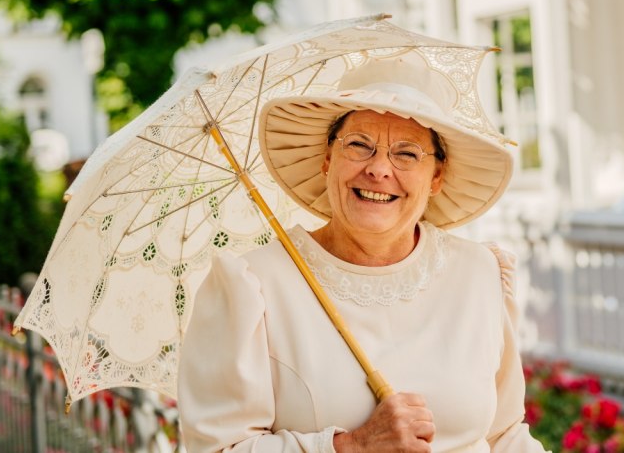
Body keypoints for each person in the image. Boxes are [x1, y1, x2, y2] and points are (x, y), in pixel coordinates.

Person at [179, 57, 547, 453]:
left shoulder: (480, 272)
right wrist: (353, 446)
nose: (378, 169)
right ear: (327, 159)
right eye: (358, 145)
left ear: (437, 176)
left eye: (406, 154)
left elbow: (505, 434)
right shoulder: (254, 286)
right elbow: (219, 449)